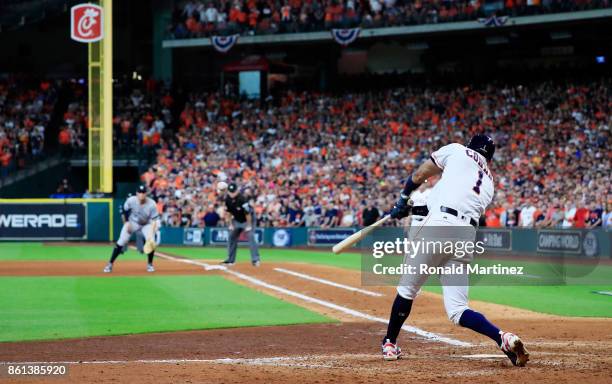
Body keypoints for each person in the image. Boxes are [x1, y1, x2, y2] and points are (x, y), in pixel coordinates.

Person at [381, 134, 529, 367]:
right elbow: (450, 200)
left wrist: (402, 199)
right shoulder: (489, 181)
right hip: (466, 237)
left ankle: (389, 342)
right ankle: (503, 337)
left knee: (408, 289)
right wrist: (408, 208)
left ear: (471, 145)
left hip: (440, 226)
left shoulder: (457, 150)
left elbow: (420, 175)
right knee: (458, 309)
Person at [103, 186, 160, 273]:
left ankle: (150, 264)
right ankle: (110, 264)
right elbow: (125, 210)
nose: (141, 194)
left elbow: (155, 219)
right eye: (140, 192)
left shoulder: (152, 204)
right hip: (133, 222)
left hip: (146, 224)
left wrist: (152, 232)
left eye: (143, 192)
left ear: (146, 194)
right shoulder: (131, 200)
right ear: (136, 193)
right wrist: (126, 223)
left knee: (151, 241)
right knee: (122, 241)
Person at [220, 183, 261, 266]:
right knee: (231, 237)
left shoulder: (242, 199)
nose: (232, 194)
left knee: (251, 237)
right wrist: (230, 224)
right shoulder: (227, 199)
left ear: (237, 191)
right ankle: (231, 260)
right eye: (231, 192)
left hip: (248, 219)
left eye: (233, 192)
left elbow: (248, 213)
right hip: (236, 220)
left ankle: (255, 260)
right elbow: (228, 212)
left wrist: (249, 225)